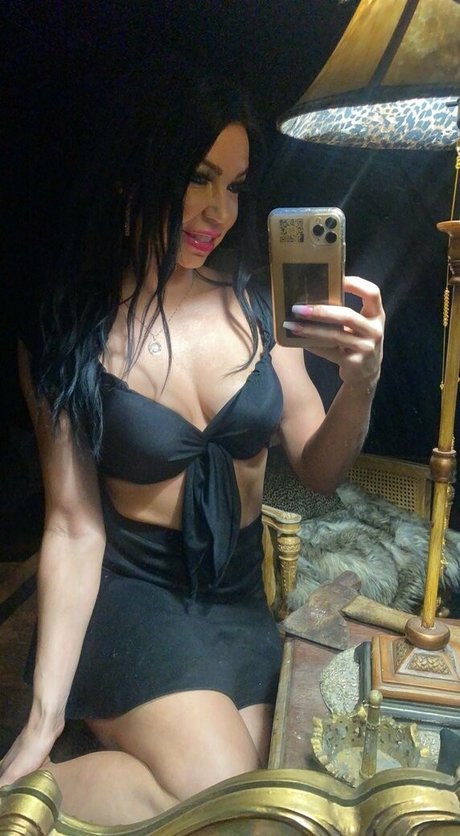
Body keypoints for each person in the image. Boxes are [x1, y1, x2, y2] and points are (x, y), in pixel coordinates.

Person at [0, 60, 384, 824]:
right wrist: (43, 717)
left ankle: (60, 799)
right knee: (235, 799)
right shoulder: (68, 333)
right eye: (199, 178)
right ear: (133, 175)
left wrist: (361, 383)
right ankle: (18, 800)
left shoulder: (258, 305)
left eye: (235, 186)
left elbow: (319, 467)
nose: (220, 211)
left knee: (274, 794)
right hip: (132, 603)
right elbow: (73, 527)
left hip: (238, 604)